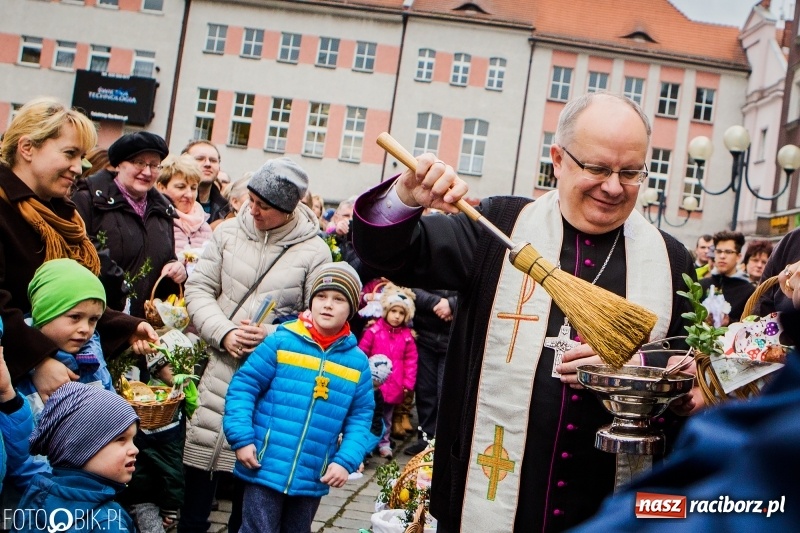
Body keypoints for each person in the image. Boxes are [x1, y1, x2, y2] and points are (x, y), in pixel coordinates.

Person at [352, 92, 694, 532]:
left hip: (608, 503)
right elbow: (386, 255)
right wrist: (406, 196)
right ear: (558, 158)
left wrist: (637, 367)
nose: (613, 186)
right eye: (597, 168)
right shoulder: (499, 227)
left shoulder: (670, 259)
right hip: (489, 489)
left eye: (630, 172)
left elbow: (690, 363)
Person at [180, 157, 331, 533]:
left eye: (263, 206)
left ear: (287, 210)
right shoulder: (227, 233)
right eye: (250, 199)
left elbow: (319, 320)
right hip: (216, 370)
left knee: (250, 491)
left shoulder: (315, 252)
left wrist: (269, 337)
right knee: (198, 480)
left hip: (270, 383)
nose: (253, 209)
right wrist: (224, 332)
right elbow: (198, 289)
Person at [0, 97, 155, 397]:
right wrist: (37, 361)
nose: (78, 167)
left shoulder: (64, 215)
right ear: (27, 148)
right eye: (70, 154)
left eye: (81, 156)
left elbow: (69, 300)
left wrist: (127, 327)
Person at [223, 261, 375, 533]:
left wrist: (345, 460)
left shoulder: (357, 363)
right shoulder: (281, 342)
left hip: (312, 471)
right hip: (264, 463)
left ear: (351, 309)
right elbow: (244, 386)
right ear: (311, 301)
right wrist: (242, 437)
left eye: (338, 299)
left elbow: (361, 418)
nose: (328, 304)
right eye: (321, 296)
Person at [73, 131, 187, 318]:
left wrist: (175, 268)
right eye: (139, 163)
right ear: (119, 164)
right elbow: (85, 251)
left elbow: (165, 256)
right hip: (96, 317)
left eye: (154, 165)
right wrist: (123, 289)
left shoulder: (162, 209)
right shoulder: (88, 199)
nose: (147, 172)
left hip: (144, 325)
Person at [16, 382, 139, 533]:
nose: (134, 449)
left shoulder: (39, 497)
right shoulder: (106, 522)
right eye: (121, 439)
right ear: (80, 446)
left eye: (133, 439)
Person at [15, 259, 114, 417]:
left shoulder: (93, 358)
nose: (85, 329)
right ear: (44, 315)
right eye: (75, 317)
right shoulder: (20, 368)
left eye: (93, 319)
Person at [358, 285, 418, 459]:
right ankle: (366, 444)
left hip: (394, 385)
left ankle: (384, 442)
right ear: (386, 311)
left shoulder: (407, 337)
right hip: (372, 385)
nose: (397, 316)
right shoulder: (374, 331)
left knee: (387, 418)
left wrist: (408, 384)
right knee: (368, 415)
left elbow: (411, 362)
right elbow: (362, 353)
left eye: (401, 313)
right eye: (394, 311)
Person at [404, 287, 457, 456]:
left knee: (446, 392)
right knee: (425, 390)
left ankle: (445, 443)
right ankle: (426, 438)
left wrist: (452, 304)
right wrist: (436, 303)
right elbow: (412, 287)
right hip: (424, 334)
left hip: (454, 338)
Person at [156, 154, 213, 266]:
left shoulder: (204, 225)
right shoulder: (155, 222)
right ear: (161, 188)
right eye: (181, 187)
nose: (189, 194)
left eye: (193, 188)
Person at [699, 230, 755, 323]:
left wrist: (729, 323)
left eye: (728, 252)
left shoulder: (748, 291)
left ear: (738, 257)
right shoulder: (702, 285)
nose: (722, 256)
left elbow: (750, 326)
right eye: (718, 251)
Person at [182, 140, 227, 224]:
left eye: (213, 160)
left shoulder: (226, 209)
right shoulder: (173, 203)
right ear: (183, 163)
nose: (207, 164)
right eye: (200, 159)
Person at [366, 354, 392, 462]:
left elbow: (377, 419)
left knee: (381, 428)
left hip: (372, 425)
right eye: (371, 384)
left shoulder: (378, 396)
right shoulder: (360, 390)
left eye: (376, 386)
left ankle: (363, 453)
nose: (373, 389)